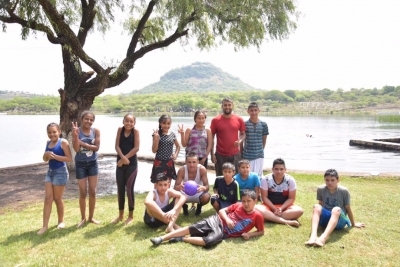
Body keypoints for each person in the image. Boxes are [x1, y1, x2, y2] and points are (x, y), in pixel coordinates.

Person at [149, 189, 264, 247]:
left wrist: (250, 234)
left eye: (249, 201)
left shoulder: (257, 216)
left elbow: (261, 231)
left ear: (255, 201)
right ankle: (161, 238)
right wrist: (227, 219)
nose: (246, 204)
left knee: (209, 242)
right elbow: (222, 210)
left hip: (224, 233)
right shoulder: (238, 205)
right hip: (217, 220)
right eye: (244, 201)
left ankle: (182, 239)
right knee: (192, 228)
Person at [305, 169, 365, 247]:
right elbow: (320, 205)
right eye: (327, 180)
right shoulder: (321, 189)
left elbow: (348, 208)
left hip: (339, 220)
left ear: (338, 180)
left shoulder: (344, 191)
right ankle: (313, 236)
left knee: (336, 209)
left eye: (332, 180)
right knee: (316, 206)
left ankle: (323, 238)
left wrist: (353, 224)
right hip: (327, 220)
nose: (330, 183)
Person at [38, 122, 72, 235]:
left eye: (54, 132)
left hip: (61, 172)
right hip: (50, 172)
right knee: (48, 198)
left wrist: (55, 156)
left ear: (59, 132)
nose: (52, 134)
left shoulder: (63, 142)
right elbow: (45, 159)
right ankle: (45, 226)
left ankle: (61, 221)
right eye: (49, 132)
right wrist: (46, 155)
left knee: (57, 198)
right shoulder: (48, 143)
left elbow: (69, 158)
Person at [71, 111, 101, 227]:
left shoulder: (96, 131)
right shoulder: (77, 131)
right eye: (86, 119)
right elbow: (77, 149)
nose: (89, 121)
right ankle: (83, 218)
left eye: (91, 120)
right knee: (83, 192)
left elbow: (96, 148)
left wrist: (82, 143)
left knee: (93, 191)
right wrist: (75, 136)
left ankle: (91, 217)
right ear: (81, 119)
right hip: (80, 164)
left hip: (93, 163)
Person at [256, 158, 303, 227]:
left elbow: (291, 198)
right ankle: (283, 220)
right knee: (255, 208)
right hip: (268, 206)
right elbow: (264, 198)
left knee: (299, 210)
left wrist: (281, 208)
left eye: (281, 169)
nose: (279, 172)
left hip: (284, 208)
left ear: (285, 170)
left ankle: (269, 217)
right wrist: (274, 209)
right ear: (272, 169)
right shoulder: (265, 179)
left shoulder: (290, 180)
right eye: (276, 169)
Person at [111, 113, 140, 225]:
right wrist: (122, 159)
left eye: (131, 121)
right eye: (126, 121)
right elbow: (117, 146)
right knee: (120, 190)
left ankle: (130, 216)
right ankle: (120, 215)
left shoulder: (135, 131)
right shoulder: (120, 130)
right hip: (120, 165)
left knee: (129, 189)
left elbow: (137, 148)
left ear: (134, 123)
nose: (129, 123)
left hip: (132, 165)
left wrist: (125, 158)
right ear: (123, 121)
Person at [210, 98, 246, 176]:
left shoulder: (239, 119)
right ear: (222, 106)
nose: (227, 107)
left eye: (229, 105)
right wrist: (212, 154)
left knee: (236, 178)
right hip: (220, 154)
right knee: (220, 178)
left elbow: (243, 134)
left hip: (235, 154)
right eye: (225, 105)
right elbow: (211, 138)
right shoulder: (215, 120)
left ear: (232, 106)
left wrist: (239, 141)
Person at [241, 102, 269, 179]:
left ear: (259, 111)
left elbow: (264, 140)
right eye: (251, 110)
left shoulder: (264, 124)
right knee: (247, 176)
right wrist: (241, 154)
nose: (253, 112)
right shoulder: (244, 124)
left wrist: (260, 151)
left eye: (255, 110)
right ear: (248, 111)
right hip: (247, 155)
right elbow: (241, 140)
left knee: (257, 177)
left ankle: (257, 191)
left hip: (259, 155)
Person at [150, 114, 180, 184]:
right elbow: (154, 150)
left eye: (168, 123)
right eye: (164, 123)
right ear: (160, 123)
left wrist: (175, 155)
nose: (166, 126)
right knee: (158, 185)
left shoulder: (172, 134)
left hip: (169, 163)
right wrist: (156, 139)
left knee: (167, 184)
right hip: (159, 163)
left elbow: (178, 146)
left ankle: (167, 195)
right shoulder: (156, 134)